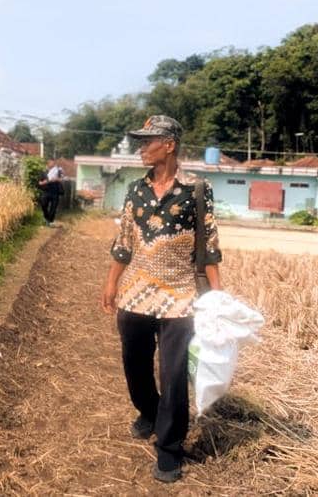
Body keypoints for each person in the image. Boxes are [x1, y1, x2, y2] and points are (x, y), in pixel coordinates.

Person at [99, 115, 222, 484]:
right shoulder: (135, 190)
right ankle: (148, 411)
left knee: (172, 374)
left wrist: (217, 298)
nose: (141, 148)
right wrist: (111, 284)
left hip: (179, 295)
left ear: (169, 144)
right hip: (136, 292)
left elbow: (210, 246)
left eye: (147, 141)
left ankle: (169, 448)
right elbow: (124, 242)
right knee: (134, 365)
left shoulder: (196, 189)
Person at [38, 158, 64, 226]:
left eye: (53, 162)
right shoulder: (44, 171)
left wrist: (56, 179)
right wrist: (44, 182)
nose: (52, 164)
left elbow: (62, 179)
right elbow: (39, 182)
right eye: (50, 162)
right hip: (46, 191)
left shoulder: (58, 170)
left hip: (55, 191)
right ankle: (47, 218)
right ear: (48, 163)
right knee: (43, 205)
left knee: (53, 207)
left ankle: (50, 221)